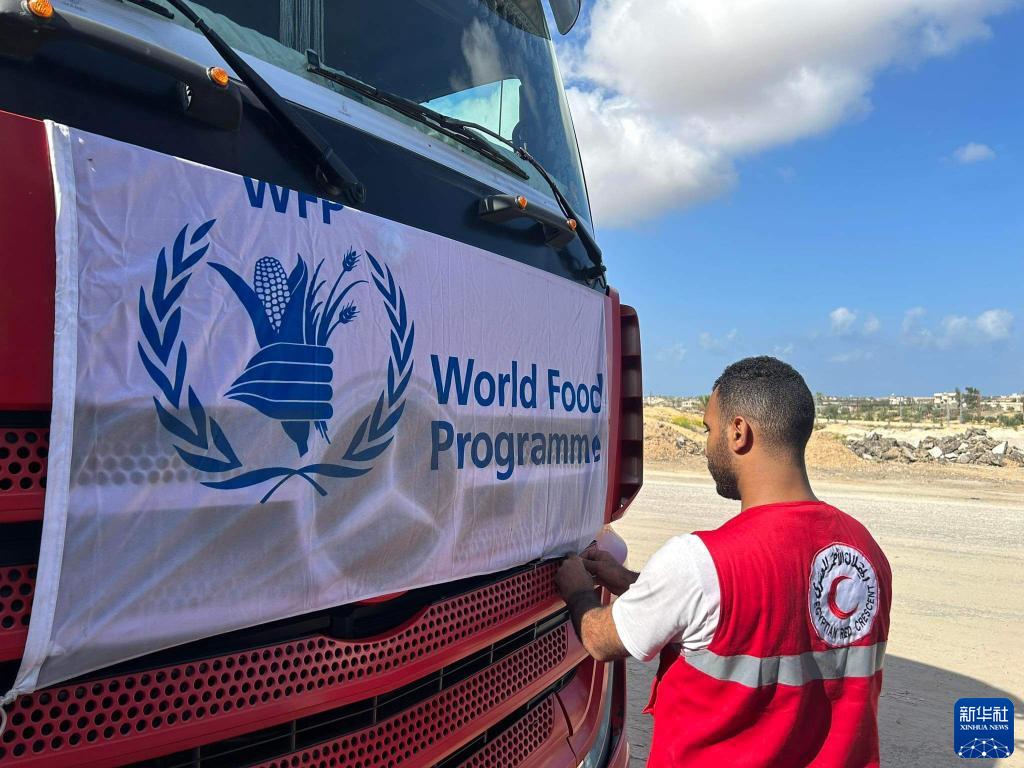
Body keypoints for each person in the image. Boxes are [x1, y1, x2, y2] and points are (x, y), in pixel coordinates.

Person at [555, 356, 891, 767]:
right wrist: (629, 580)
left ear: (738, 432)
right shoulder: (865, 552)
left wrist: (577, 590)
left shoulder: (698, 562)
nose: (706, 445)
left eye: (708, 429)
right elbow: (762, 609)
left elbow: (600, 640)